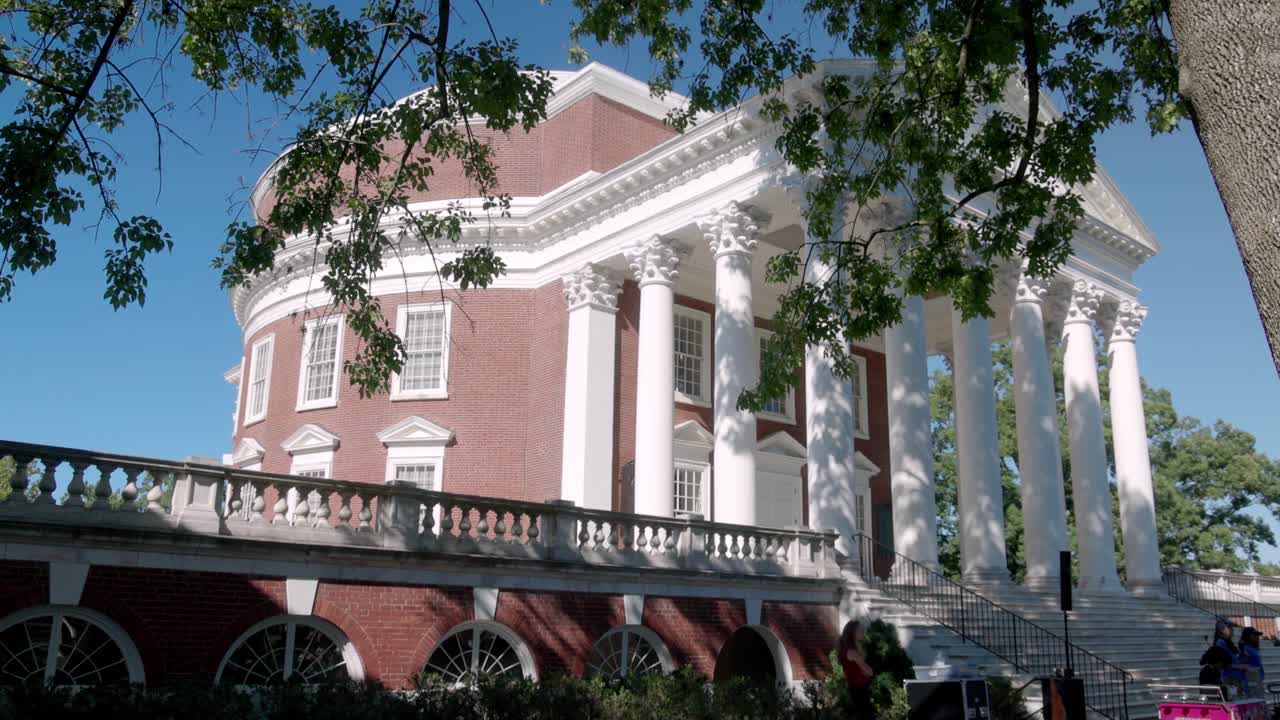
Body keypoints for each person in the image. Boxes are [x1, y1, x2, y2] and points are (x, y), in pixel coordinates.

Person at [838, 620, 875, 720]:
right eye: (859, 630)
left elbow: (864, 670)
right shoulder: (852, 652)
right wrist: (866, 670)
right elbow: (869, 671)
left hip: (857, 691)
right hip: (858, 693)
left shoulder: (852, 650)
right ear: (852, 633)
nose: (862, 631)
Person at [1215, 619, 1249, 691]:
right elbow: (1224, 664)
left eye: (1231, 628)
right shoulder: (1221, 643)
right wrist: (1241, 666)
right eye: (1229, 627)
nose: (1232, 630)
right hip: (1230, 678)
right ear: (1222, 630)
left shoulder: (1229, 643)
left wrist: (1242, 651)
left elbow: (1236, 658)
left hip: (1238, 677)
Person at [1240, 627, 1265, 698]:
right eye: (1255, 635)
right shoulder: (1245, 649)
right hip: (1252, 684)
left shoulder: (1252, 649)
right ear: (1250, 637)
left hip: (1257, 682)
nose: (1257, 638)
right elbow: (1243, 665)